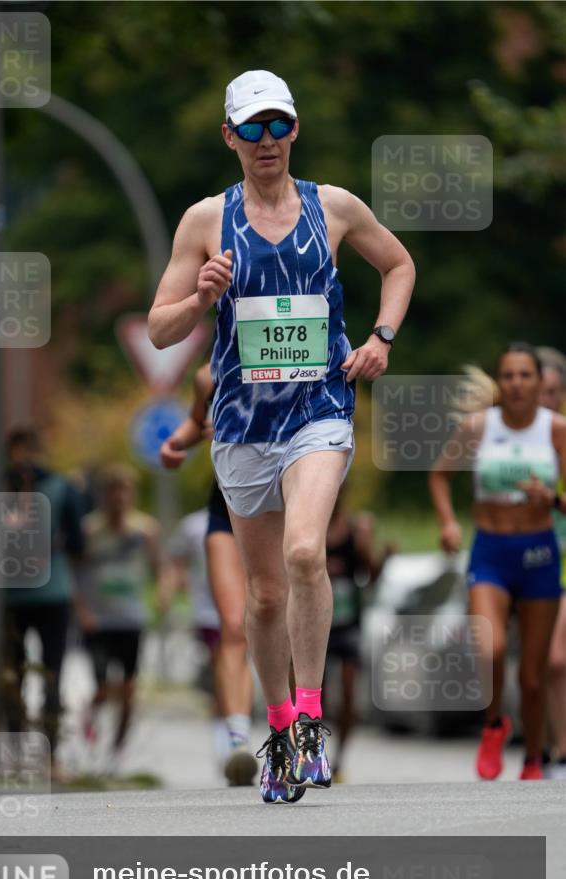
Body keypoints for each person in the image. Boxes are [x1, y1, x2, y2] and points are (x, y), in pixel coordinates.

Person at [148, 69, 415, 802]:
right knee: (264, 598)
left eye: (278, 126)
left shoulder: (334, 207)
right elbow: (160, 328)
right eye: (252, 129)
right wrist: (200, 296)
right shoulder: (206, 220)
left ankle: (310, 721)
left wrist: (381, 338)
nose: (266, 141)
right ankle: (277, 732)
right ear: (230, 137)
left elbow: (398, 264)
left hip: (318, 411)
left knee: (304, 552)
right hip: (241, 425)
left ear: (294, 129)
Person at [429, 344, 566, 780]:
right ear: (499, 381)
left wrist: (553, 499)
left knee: (532, 676)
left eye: (526, 375)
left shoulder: (556, 430)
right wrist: (449, 523)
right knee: (491, 647)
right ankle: (493, 724)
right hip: (490, 553)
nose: (517, 384)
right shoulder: (478, 427)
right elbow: (439, 475)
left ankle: (533, 759)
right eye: (509, 375)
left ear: (539, 382)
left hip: (540, 554)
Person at [160, 362, 256, 786]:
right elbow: (197, 421)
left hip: (279, 504)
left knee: (283, 621)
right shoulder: (209, 375)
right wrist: (176, 442)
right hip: (226, 505)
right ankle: (236, 740)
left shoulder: (289, 353)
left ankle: (295, 728)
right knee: (232, 626)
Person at [3, 427, 84, 767]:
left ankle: (36, 754)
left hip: (34, 594)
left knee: (31, 675)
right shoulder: (60, 486)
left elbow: (78, 540)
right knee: (32, 675)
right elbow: (77, 541)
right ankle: (35, 755)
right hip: (27, 594)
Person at [76, 464, 160, 753]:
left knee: (127, 689)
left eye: (125, 491)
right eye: (114, 491)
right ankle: (90, 715)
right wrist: (81, 609)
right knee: (102, 687)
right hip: (98, 619)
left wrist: (162, 593)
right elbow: (75, 571)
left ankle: (117, 747)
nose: (120, 498)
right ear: (104, 495)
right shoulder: (89, 529)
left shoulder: (145, 529)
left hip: (131, 617)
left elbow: (158, 568)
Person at [325, 488, 393, 782]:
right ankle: (315, 752)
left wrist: (383, 558)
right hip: (316, 625)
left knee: (348, 694)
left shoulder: (356, 530)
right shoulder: (309, 528)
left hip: (349, 624)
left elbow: (371, 576)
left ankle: (339, 759)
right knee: (317, 695)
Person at [537, 346, 566, 777]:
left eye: (553, 391)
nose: (546, 399)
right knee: (538, 663)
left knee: (557, 659)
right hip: (527, 558)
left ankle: (561, 752)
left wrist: (552, 500)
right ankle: (543, 749)